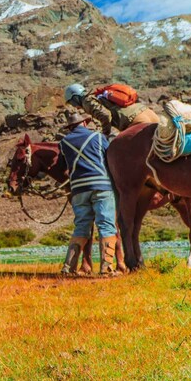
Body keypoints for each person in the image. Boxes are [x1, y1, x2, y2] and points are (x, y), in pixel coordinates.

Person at [59, 112, 119, 275]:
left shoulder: (64, 142)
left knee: (81, 226)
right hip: (101, 185)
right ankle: (106, 268)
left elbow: (63, 165)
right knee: (106, 224)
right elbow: (110, 158)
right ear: (85, 123)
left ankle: (68, 267)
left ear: (70, 127)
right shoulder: (99, 137)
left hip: (78, 188)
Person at [64, 83, 159, 136]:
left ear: (75, 98)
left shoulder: (86, 101)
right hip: (148, 112)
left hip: (133, 120)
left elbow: (105, 115)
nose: (74, 106)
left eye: (72, 103)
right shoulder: (97, 95)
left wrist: (105, 133)